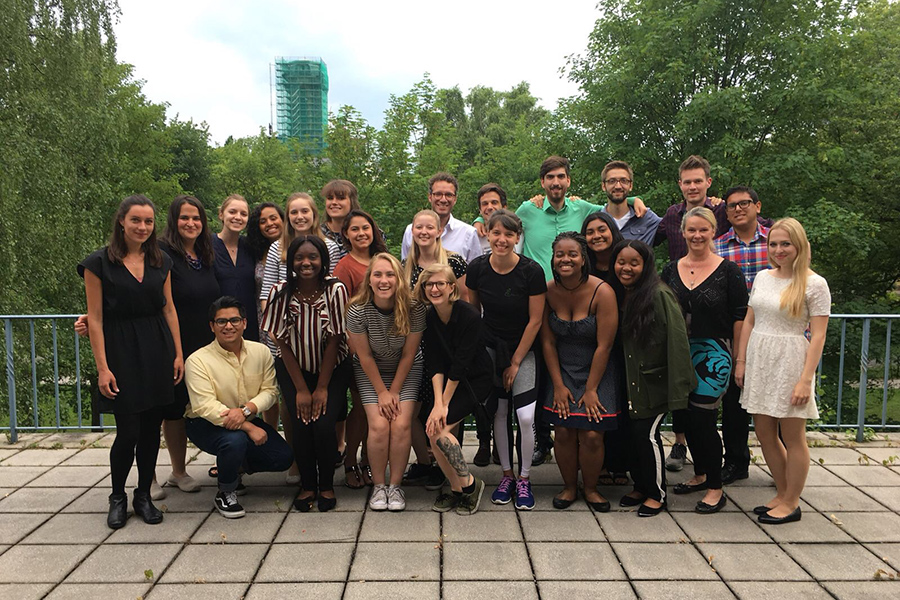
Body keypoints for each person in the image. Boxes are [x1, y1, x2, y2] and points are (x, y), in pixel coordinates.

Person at [79, 195, 184, 529]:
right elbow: (94, 319)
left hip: (157, 347)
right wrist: (103, 367)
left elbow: (169, 308)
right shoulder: (98, 264)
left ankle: (143, 495)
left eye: (149, 221)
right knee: (128, 431)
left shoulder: (161, 260)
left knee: (152, 430)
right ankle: (117, 496)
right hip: (120, 349)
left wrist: (178, 353)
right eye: (136, 220)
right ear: (121, 221)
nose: (142, 227)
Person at [735, 218, 830, 524]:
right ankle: (782, 491)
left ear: (799, 245)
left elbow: (818, 335)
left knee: (792, 435)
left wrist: (806, 379)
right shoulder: (763, 277)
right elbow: (750, 320)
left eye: (785, 244)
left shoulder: (815, 284)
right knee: (763, 431)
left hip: (791, 361)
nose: (778, 250)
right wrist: (742, 360)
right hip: (760, 358)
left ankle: (791, 501)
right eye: (773, 244)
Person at [660, 207, 748, 514]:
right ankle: (698, 475)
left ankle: (715, 486)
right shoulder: (671, 270)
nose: (697, 235)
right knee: (683, 417)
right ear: (682, 232)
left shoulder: (729, 271)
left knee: (703, 419)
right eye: (691, 230)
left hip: (715, 354)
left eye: (703, 230)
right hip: (678, 353)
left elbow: (740, 317)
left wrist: (739, 359)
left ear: (713, 232)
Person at [261, 236, 352, 513]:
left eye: (312, 257)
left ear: (323, 260)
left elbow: (336, 339)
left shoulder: (335, 290)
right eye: (299, 258)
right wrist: (301, 389)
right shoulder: (280, 291)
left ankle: (326, 484)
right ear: (291, 262)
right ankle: (307, 485)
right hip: (292, 368)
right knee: (300, 422)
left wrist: (321, 388)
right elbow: (280, 341)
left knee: (323, 424)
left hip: (332, 368)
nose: (306, 263)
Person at [184, 296, 293, 519]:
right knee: (234, 440)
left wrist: (245, 411)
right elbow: (205, 406)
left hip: (244, 416)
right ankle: (226, 491)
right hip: (204, 424)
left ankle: (235, 468)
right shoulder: (197, 361)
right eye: (221, 321)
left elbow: (270, 392)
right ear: (212, 326)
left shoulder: (260, 352)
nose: (229, 326)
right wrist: (248, 427)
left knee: (282, 457)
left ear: (244, 323)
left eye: (234, 320)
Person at [466, 210, 546, 510]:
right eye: (496, 233)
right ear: (487, 233)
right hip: (490, 348)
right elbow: (474, 312)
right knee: (498, 412)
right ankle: (507, 475)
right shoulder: (477, 268)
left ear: (517, 237)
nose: (502, 239)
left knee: (525, 416)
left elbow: (536, 320)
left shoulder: (531, 271)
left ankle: (525, 478)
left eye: (508, 234)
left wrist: (515, 362)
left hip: (523, 348)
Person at [259, 193, 341, 484]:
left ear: (314, 213)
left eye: (304, 210)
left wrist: (319, 386)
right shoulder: (276, 251)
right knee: (297, 413)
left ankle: (328, 472)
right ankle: (301, 469)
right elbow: (266, 294)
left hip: (325, 352)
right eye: (293, 211)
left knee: (325, 418)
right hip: (287, 344)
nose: (299, 216)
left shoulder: (331, 254)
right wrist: (272, 339)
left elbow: (335, 326)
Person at [612, 239, 695, 517]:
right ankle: (641, 484)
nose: (626, 267)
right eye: (621, 262)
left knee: (648, 437)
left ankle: (657, 494)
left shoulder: (659, 294)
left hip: (655, 383)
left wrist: (679, 387)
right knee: (633, 436)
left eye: (634, 263)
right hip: (632, 382)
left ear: (645, 265)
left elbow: (677, 340)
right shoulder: (624, 293)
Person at [541, 232, 620, 511]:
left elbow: (605, 345)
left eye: (572, 254)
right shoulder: (548, 291)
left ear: (583, 258)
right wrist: (558, 385)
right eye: (560, 254)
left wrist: (590, 389)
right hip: (561, 369)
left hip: (598, 369)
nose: (566, 259)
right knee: (562, 430)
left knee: (591, 434)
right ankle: (568, 487)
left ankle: (591, 488)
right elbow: (548, 342)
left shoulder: (603, 292)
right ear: (553, 258)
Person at [346, 253, 426, 511]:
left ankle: (396, 486)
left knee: (402, 423)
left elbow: (409, 354)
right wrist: (382, 391)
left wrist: (394, 391)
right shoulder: (357, 310)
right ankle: (379, 487)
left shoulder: (415, 308)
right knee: (379, 425)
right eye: (378, 274)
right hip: (372, 372)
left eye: (390, 274)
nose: (384, 280)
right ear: (369, 280)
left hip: (406, 370)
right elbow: (364, 356)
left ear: (399, 279)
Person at [415, 263, 491, 515]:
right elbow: (434, 362)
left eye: (440, 284)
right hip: (447, 381)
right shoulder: (429, 316)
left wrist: (443, 406)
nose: (434, 289)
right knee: (434, 429)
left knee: (439, 431)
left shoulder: (469, 315)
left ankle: (469, 486)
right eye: (429, 284)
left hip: (474, 380)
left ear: (451, 287)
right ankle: (460, 487)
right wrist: (438, 403)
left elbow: (461, 364)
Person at [402, 209, 469, 489]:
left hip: (448, 343)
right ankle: (425, 463)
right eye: (419, 227)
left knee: (446, 407)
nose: (425, 232)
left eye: (430, 227)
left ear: (439, 230)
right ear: (412, 231)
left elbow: (464, 301)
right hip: (418, 342)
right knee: (417, 409)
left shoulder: (454, 261)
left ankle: (451, 468)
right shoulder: (405, 263)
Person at [714, 186, 770, 485]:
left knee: (778, 403)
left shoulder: (776, 243)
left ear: (757, 206)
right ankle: (736, 461)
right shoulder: (717, 247)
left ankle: (784, 465)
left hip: (773, 332)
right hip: (734, 333)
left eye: (744, 203)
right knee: (734, 404)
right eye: (732, 206)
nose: (738, 209)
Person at [333, 209, 389, 488]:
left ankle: (369, 459)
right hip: (358, 349)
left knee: (376, 410)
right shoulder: (345, 266)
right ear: (346, 234)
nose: (361, 234)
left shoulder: (381, 260)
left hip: (385, 348)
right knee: (361, 409)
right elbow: (339, 310)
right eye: (354, 229)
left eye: (365, 228)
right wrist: (353, 346)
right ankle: (350, 461)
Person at [581, 213, 630, 487]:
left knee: (620, 403)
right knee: (596, 403)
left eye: (602, 230)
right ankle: (595, 464)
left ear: (612, 230)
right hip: (589, 346)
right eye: (590, 232)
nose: (596, 236)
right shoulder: (581, 268)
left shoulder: (624, 262)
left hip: (624, 344)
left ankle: (620, 463)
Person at [401, 173, 482, 263]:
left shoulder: (468, 233)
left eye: (448, 195)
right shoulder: (411, 232)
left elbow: (476, 273)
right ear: (430, 197)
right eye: (438, 194)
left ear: (455, 199)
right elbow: (405, 270)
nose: (443, 199)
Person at [213, 194, 259, 341]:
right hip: (219, 325)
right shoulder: (207, 245)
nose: (238, 217)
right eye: (232, 212)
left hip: (248, 322)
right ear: (221, 214)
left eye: (243, 214)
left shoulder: (251, 247)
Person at [599, 160, 662, 245]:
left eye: (623, 181)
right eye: (612, 181)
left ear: (631, 185)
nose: (618, 186)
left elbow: (675, 225)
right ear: (603, 186)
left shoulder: (647, 218)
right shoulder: (596, 221)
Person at [475, 183, 522, 255]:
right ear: (480, 210)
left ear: (504, 207)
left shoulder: (516, 229)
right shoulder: (473, 236)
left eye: (494, 202)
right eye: (485, 204)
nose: (489, 207)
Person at [320, 179, 362, 256]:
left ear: (352, 202)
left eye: (341, 198)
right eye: (330, 198)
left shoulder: (366, 233)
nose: (334, 202)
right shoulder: (318, 233)